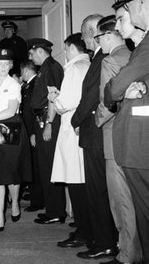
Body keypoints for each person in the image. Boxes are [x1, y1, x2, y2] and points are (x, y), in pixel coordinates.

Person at [104, 0, 149, 264]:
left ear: (143, 3)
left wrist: (121, 89)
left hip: (140, 145)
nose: (128, 15)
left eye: (130, 4)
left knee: (144, 215)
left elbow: (114, 88)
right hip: (137, 143)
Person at [95, 14, 142, 264]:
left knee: (121, 200)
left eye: (98, 37)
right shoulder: (135, 54)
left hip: (114, 136)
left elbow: (108, 102)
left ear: (109, 34)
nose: (97, 43)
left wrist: (96, 119)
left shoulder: (110, 60)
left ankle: (127, 255)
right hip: (136, 137)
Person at [71, 15, 117, 260]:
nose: (81, 38)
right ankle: (103, 239)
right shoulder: (97, 58)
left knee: (98, 190)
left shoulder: (102, 59)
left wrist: (74, 120)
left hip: (96, 134)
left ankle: (105, 242)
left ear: (92, 32)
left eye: (83, 33)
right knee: (98, 190)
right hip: (95, 134)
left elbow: (91, 96)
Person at [48, 33, 92, 248]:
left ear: (72, 48)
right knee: (82, 181)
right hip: (81, 129)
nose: (65, 53)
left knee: (75, 182)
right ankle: (84, 227)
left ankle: (83, 231)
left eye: (66, 49)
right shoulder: (88, 64)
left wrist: (54, 97)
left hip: (72, 129)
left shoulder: (75, 68)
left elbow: (65, 103)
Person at [0, 49, 31, 232]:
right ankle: (1, 215)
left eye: (6, 63)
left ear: (10, 66)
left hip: (10, 126)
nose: (2, 67)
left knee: (10, 171)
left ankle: (15, 203)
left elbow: (10, 111)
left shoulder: (14, 84)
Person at [27, 38, 67, 225]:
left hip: (48, 120)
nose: (30, 56)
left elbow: (53, 96)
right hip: (41, 120)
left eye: (32, 52)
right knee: (45, 167)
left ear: (40, 51)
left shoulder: (51, 68)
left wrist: (49, 123)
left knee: (50, 166)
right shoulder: (45, 68)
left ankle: (56, 212)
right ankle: (53, 209)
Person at [20, 60, 43, 213]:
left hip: (33, 132)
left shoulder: (35, 85)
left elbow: (36, 112)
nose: (21, 75)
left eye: (21, 72)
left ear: (26, 71)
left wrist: (34, 132)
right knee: (33, 166)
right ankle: (36, 199)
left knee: (36, 167)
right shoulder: (28, 85)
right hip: (28, 131)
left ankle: (38, 202)